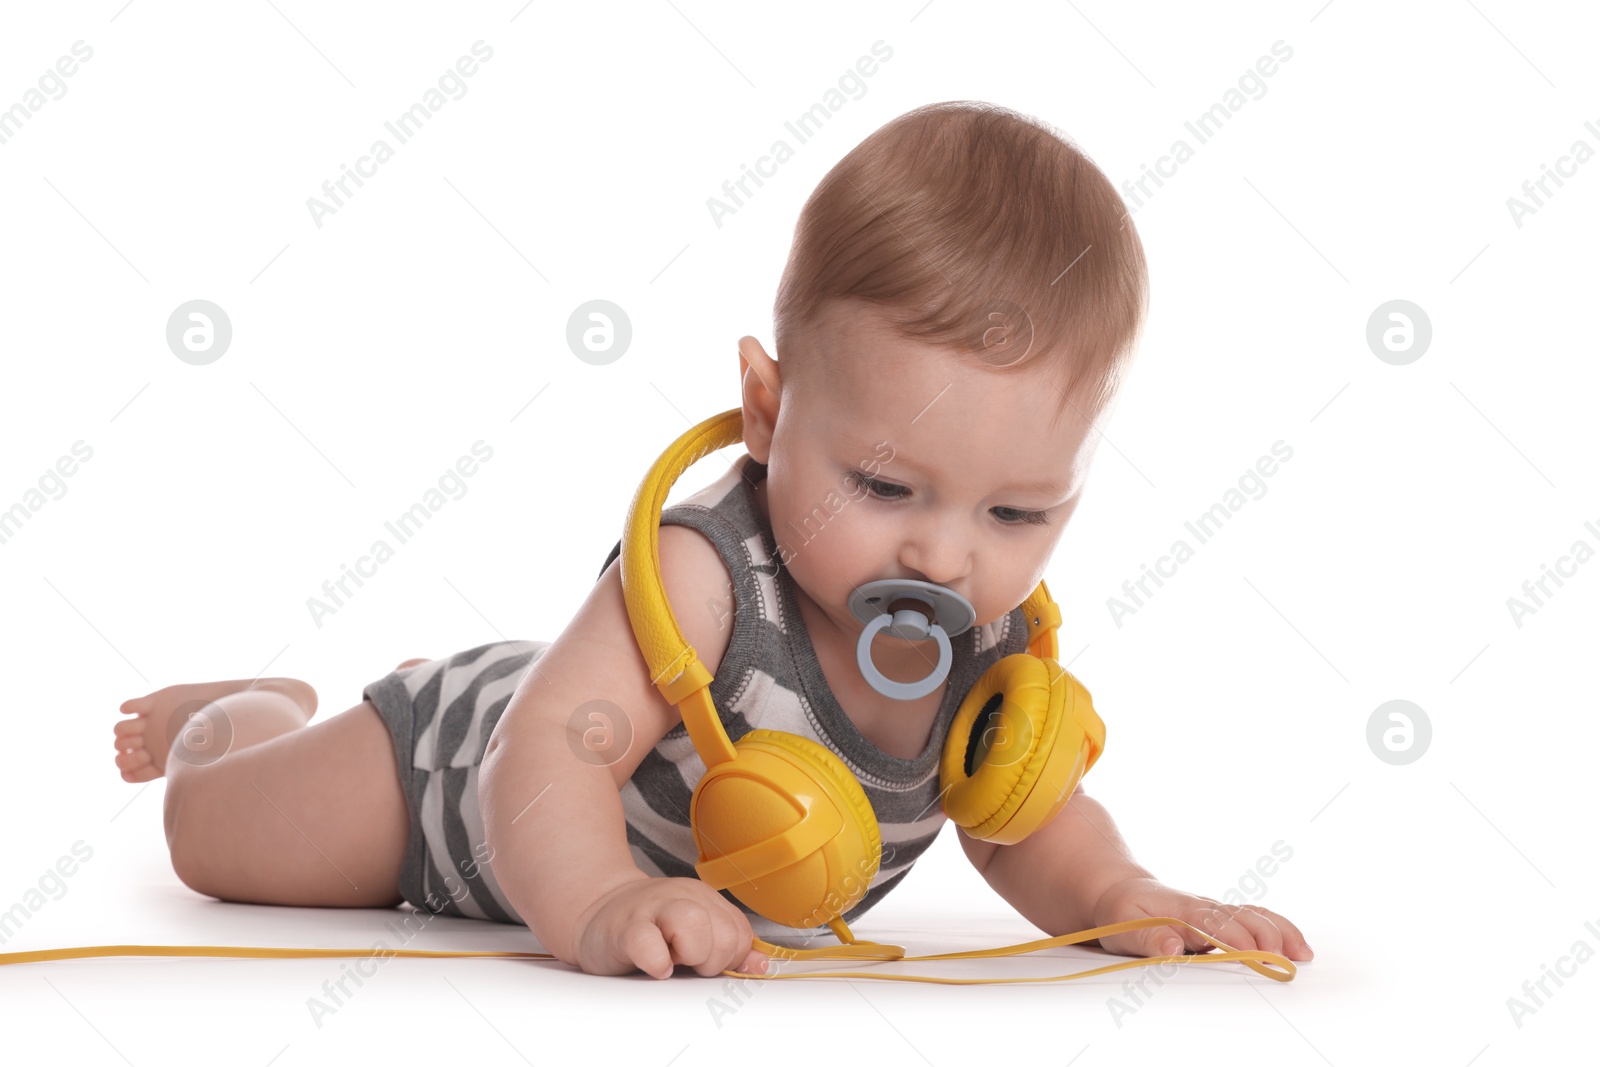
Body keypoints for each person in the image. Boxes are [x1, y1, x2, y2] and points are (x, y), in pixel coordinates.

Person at [112, 101, 1313, 980]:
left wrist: (1120, 893)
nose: (947, 559)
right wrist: (598, 900)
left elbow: (1027, 819)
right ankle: (235, 711)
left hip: (553, 767)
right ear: (768, 411)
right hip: (449, 775)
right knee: (211, 833)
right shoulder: (707, 577)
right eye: (886, 485)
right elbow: (547, 747)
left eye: (1016, 513)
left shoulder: (987, 647)